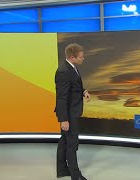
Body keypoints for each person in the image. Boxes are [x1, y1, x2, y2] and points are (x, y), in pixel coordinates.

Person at [54, 43, 90, 180]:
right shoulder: (63, 71)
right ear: (72, 57)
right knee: (72, 144)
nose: (83, 58)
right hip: (69, 114)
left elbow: (75, 86)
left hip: (72, 111)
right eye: (81, 57)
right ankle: (76, 176)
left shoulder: (72, 68)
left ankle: (62, 170)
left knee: (65, 141)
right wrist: (64, 119)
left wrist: (84, 91)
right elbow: (62, 97)